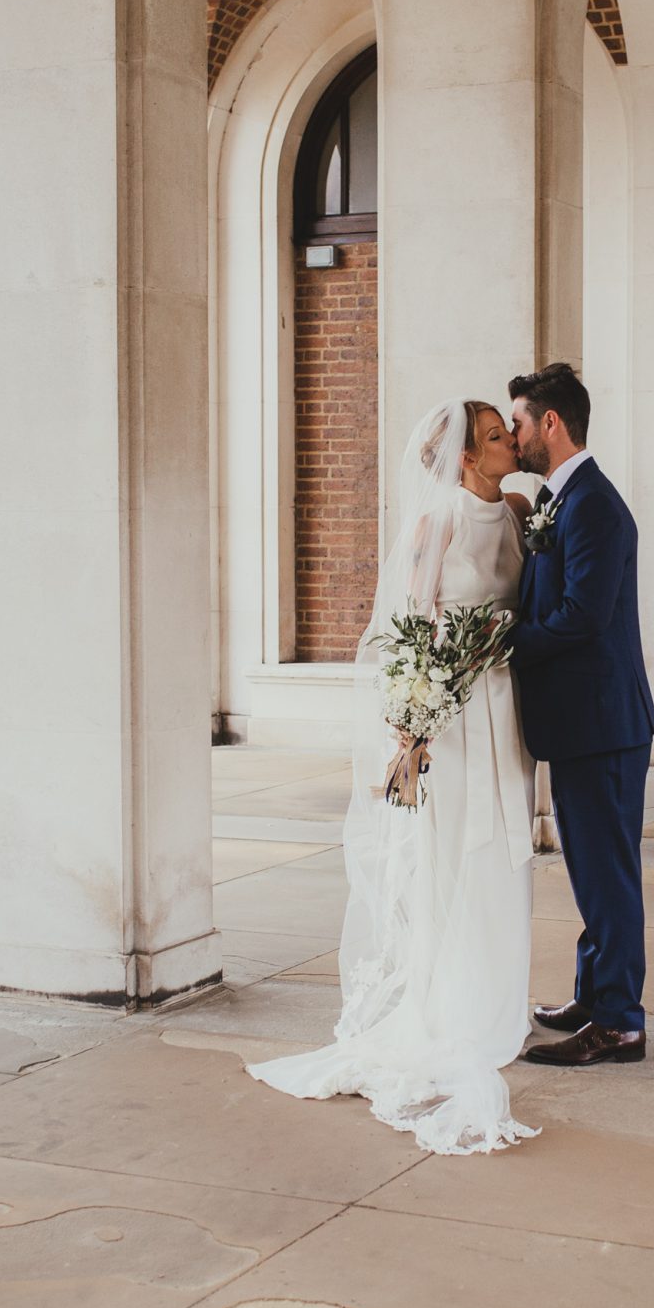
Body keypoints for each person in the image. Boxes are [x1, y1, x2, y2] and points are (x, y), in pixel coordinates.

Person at [246, 400, 540, 1155]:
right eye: (496, 438)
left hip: (503, 706)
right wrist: (416, 720)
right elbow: (407, 628)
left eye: (508, 434)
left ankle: (494, 999)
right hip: (453, 712)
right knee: (451, 855)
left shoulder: (513, 510)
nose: (512, 442)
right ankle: (446, 1006)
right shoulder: (433, 525)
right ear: (466, 458)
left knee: (502, 847)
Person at [509, 363, 654, 1067]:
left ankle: (621, 1022)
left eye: (518, 422)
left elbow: (581, 618)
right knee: (593, 870)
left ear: (550, 423)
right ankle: (594, 996)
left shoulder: (593, 505)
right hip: (583, 723)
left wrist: (501, 644)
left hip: (602, 724)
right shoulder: (560, 501)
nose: (513, 436)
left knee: (608, 874)